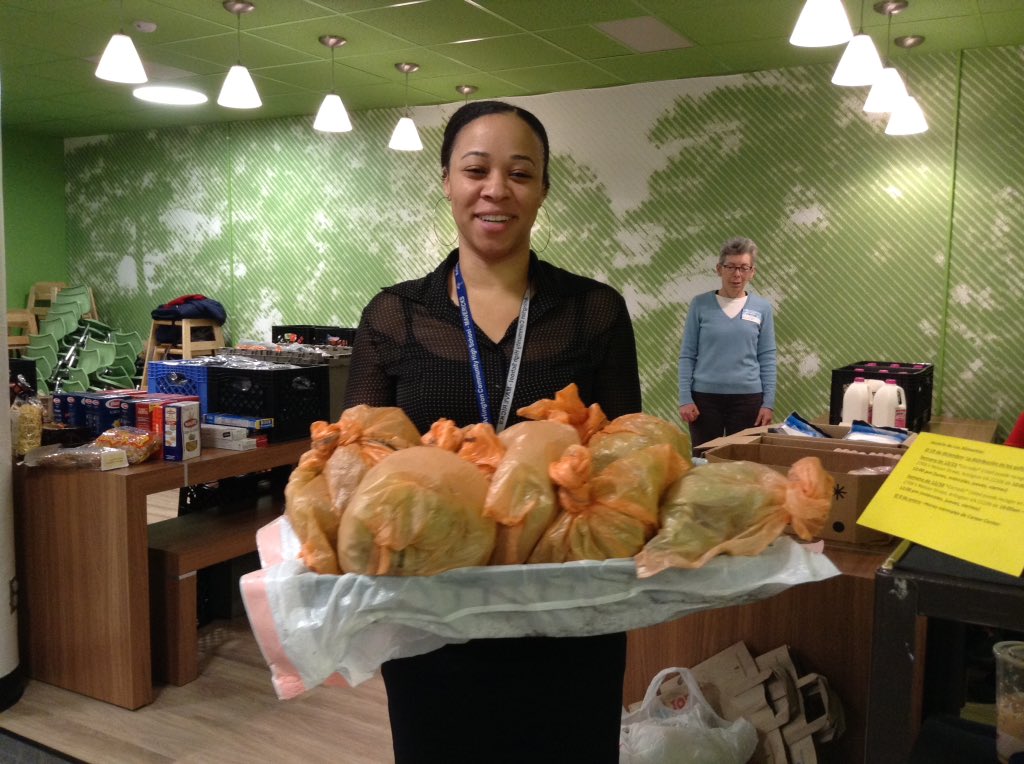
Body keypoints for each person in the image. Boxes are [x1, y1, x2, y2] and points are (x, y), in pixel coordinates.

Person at [343, 100, 642, 763]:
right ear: (446, 180)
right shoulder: (394, 316)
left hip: (568, 617)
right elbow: (356, 462)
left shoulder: (595, 312)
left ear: (542, 190)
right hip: (432, 621)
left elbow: (628, 459)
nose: (496, 190)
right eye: (476, 169)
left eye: (521, 173)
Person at [678, 237, 777, 452]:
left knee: (742, 464)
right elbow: (687, 355)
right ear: (719, 269)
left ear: (752, 272)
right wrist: (685, 398)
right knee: (703, 463)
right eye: (731, 267)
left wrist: (768, 403)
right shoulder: (700, 305)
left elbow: (767, 358)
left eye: (744, 267)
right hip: (704, 402)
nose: (737, 274)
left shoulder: (762, 309)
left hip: (748, 401)